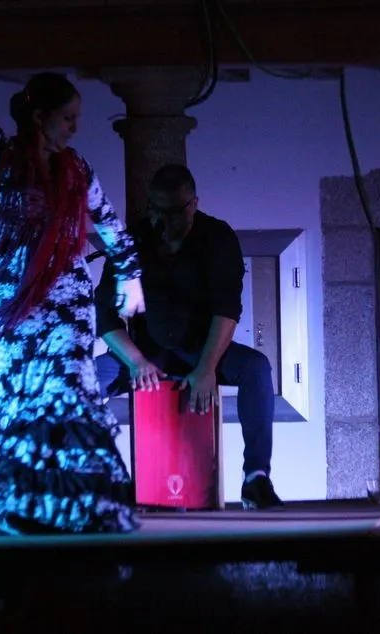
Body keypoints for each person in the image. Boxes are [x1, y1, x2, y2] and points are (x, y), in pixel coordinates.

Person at [0, 9, 146, 535]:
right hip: (13, 304)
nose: (75, 128)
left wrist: (130, 274)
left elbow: (109, 223)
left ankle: (79, 507)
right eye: (68, 118)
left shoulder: (76, 168)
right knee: (18, 399)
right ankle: (25, 508)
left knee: (66, 393)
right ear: (40, 118)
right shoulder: (0, 155)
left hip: (65, 303)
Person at [93, 164, 283, 510]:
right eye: (156, 211)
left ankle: (256, 478)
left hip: (202, 349)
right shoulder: (133, 241)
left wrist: (207, 367)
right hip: (146, 352)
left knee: (256, 368)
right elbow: (104, 313)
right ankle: (98, 483)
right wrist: (135, 361)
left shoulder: (217, 238)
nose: (164, 222)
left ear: (194, 204)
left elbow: (227, 308)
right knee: (81, 381)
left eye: (174, 213)